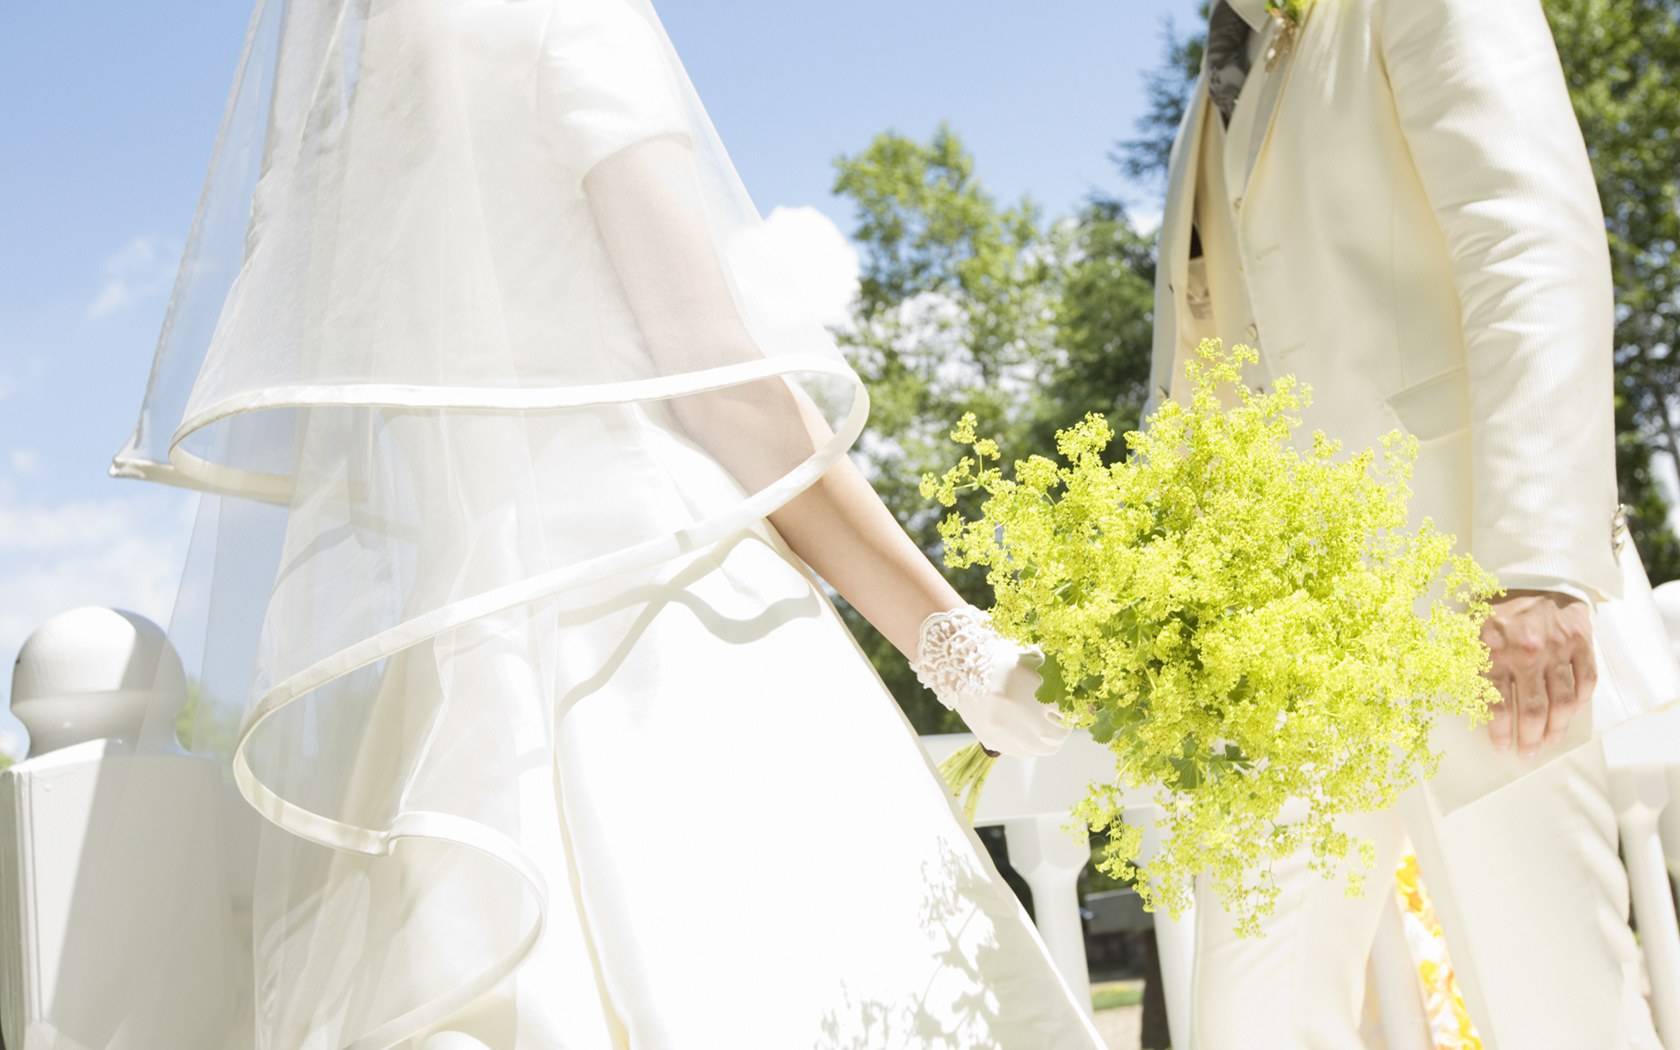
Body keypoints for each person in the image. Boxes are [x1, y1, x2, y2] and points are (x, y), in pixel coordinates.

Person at [110, 1, 1095, 1046]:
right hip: (670, 611)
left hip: (472, 661)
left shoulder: (361, 114)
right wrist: (960, 647)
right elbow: (724, 392)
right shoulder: (569, 23)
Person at [1144, 0, 1664, 1046]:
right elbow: (1196, 377)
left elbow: (1530, 243)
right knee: (1250, 1017)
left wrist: (1533, 563)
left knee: (1559, 1002)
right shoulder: (1210, 98)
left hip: (1478, 607)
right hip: (1284, 662)